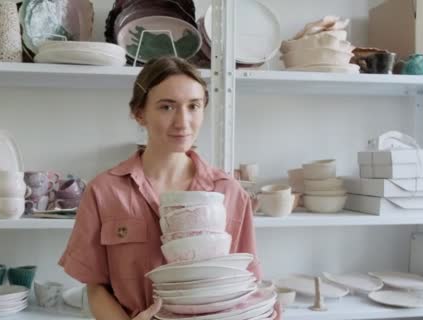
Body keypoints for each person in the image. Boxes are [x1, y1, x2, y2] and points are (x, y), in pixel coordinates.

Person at [59, 56, 277, 319]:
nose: (182, 122)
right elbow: (95, 286)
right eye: (167, 107)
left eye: (194, 106)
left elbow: (246, 285)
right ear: (139, 114)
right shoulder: (104, 191)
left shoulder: (229, 193)